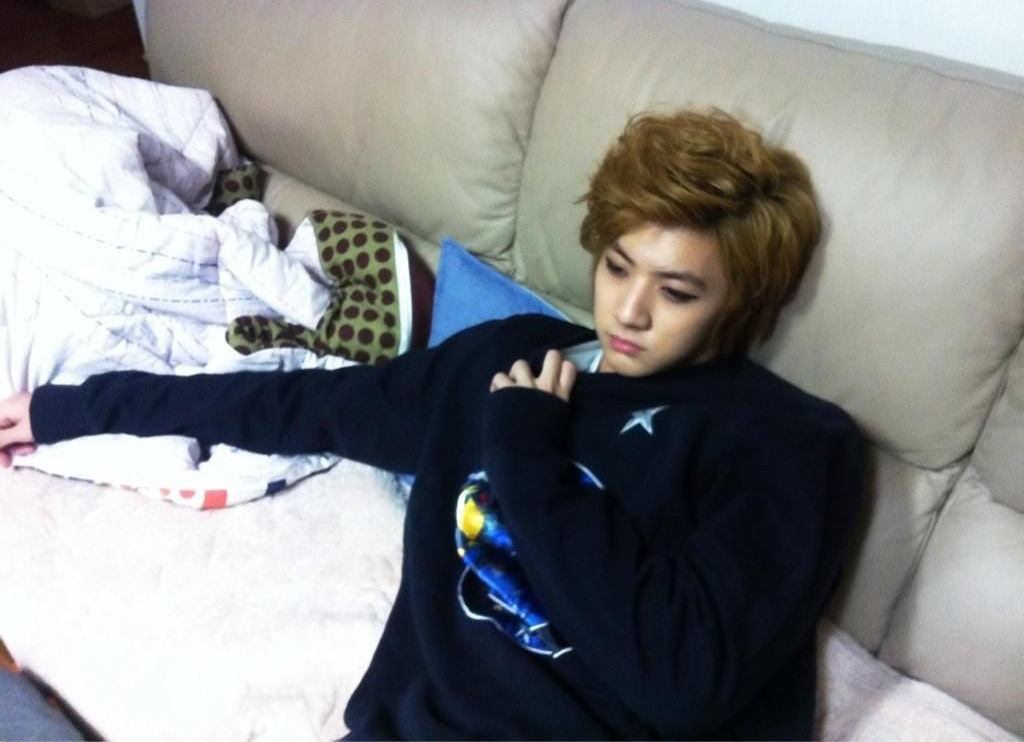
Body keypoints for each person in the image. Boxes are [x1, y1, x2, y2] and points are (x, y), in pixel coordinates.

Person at [0, 109, 864, 739]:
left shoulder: (788, 439)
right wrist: (70, 408)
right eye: (616, 265)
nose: (630, 311)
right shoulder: (506, 354)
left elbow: (681, 678)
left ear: (737, 300)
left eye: (676, 291)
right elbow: (298, 405)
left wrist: (526, 455)